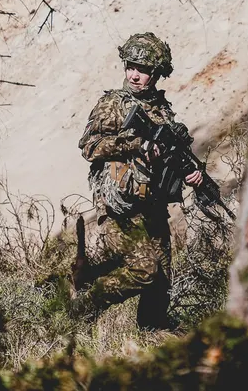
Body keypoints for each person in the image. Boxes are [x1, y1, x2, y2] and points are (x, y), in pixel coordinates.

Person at [72, 32, 202, 329]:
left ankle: (151, 333)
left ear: (156, 74)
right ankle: (83, 307)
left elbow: (171, 156)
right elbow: (89, 147)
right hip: (121, 206)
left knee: (162, 280)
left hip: (153, 205)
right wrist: (136, 145)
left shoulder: (162, 109)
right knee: (145, 270)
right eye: (130, 66)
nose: (134, 74)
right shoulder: (113, 104)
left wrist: (191, 173)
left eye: (142, 70)